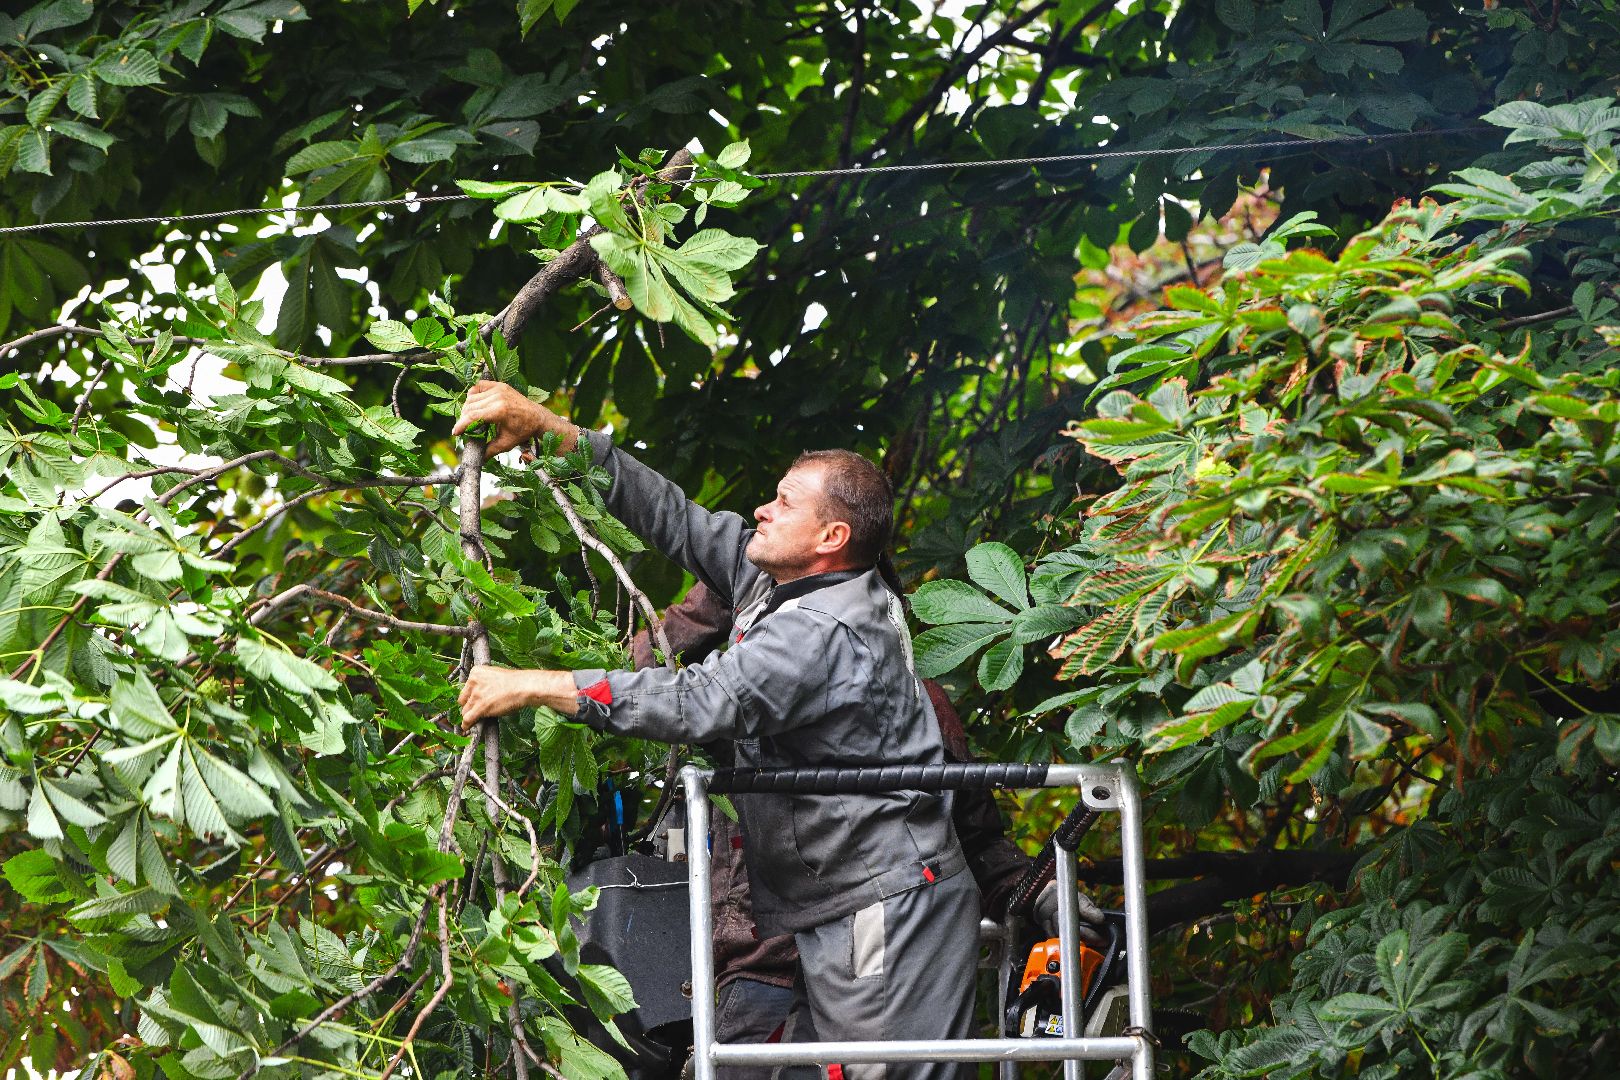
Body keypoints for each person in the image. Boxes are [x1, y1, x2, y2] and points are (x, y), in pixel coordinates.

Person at [453, 382, 980, 1080]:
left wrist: (540, 684)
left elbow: (701, 700)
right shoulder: (782, 582)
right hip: (838, 905)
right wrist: (550, 429)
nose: (762, 507)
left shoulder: (826, 631)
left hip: (884, 907)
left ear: (831, 537)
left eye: (785, 502)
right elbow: (672, 515)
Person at [625, 582, 1051, 1080]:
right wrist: (732, 586)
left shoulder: (912, 694)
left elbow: (975, 841)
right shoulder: (740, 685)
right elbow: (647, 682)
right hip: (765, 974)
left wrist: (1045, 892)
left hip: (873, 954)